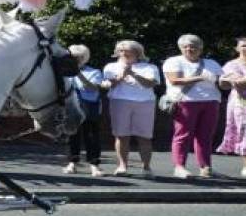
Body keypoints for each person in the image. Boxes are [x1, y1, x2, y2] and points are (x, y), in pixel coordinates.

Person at [162, 34, 223, 178]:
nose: (190, 49)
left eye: (194, 46)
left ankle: (205, 167)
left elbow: (222, 81)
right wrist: (201, 77)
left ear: (201, 48)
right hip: (185, 101)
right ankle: (179, 166)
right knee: (183, 135)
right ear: (181, 48)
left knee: (205, 136)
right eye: (186, 46)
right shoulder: (173, 61)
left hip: (211, 101)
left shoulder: (211, 63)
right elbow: (174, 80)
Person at [101, 39, 160, 176]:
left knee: (144, 137)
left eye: (128, 51)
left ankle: (146, 167)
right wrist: (121, 76)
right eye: (121, 51)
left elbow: (150, 84)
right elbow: (109, 85)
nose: (124, 53)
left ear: (137, 53)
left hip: (145, 102)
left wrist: (133, 74)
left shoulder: (150, 67)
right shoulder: (110, 66)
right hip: (119, 101)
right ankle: (122, 166)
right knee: (121, 135)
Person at [62, 44, 104, 177]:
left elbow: (92, 87)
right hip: (70, 106)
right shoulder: (63, 72)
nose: (75, 60)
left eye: (78, 57)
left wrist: (78, 73)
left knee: (91, 136)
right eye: (72, 57)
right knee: (71, 135)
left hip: (88, 107)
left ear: (84, 58)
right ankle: (72, 163)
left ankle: (94, 165)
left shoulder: (94, 72)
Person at [215, 36, 246, 177]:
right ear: (237, 48)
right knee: (244, 133)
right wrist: (233, 81)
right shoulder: (231, 65)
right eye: (243, 45)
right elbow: (225, 84)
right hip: (241, 103)